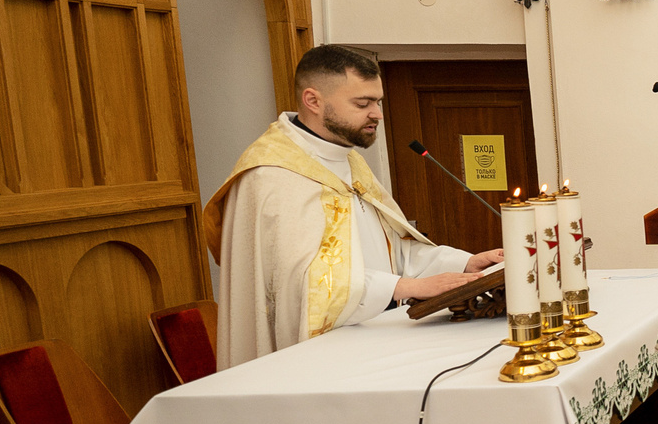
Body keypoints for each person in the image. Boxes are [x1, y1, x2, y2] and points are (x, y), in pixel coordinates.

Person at [204, 45, 497, 368]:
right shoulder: (273, 176)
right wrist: (406, 287)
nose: (378, 114)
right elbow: (302, 285)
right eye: (363, 103)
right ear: (313, 101)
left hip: (377, 342)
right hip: (318, 360)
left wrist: (465, 264)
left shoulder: (350, 162)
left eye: (378, 101)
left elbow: (394, 252)